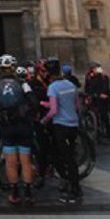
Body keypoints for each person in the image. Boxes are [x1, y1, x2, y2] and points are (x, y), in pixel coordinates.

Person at [0, 55, 36, 205]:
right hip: (23, 127)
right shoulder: (23, 84)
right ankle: (29, 193)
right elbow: (34, 102)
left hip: (7, 128)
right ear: (13, 68)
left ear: (0, 69)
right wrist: (25, 113)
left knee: (11, 163)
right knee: (25, 161)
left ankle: (15, 193)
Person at [41, 63, 82, 203]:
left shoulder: (53, 87)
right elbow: (76, 105)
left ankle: (74, 190)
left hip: (61, 125)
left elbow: (53, 110)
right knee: (70, 157)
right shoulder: (71, 84)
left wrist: (44, 120)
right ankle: (72, 184)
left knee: (67, 158)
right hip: (73, 124)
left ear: (50, 74)